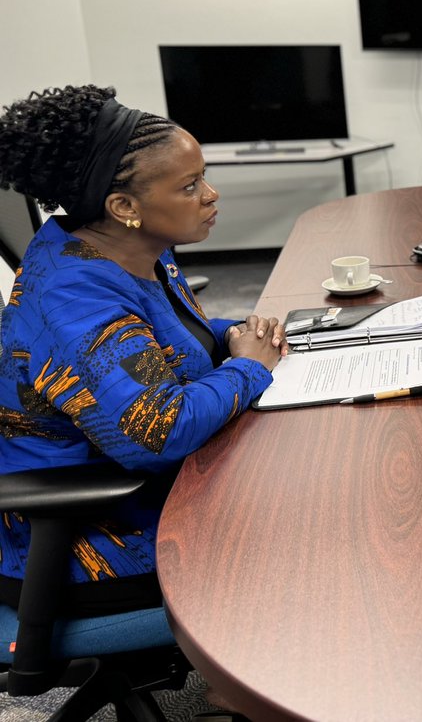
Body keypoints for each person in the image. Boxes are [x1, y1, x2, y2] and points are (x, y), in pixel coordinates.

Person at [0, 84, 286, 615]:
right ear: (125, 205)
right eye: (190, 185)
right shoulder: (73, 296)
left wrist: (227, 335)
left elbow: (162, 335)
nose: (211, 194)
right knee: (316, 525)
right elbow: (158, 432)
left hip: (150, 489)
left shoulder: (130, 246)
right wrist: (248, 367)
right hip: (89, 538)